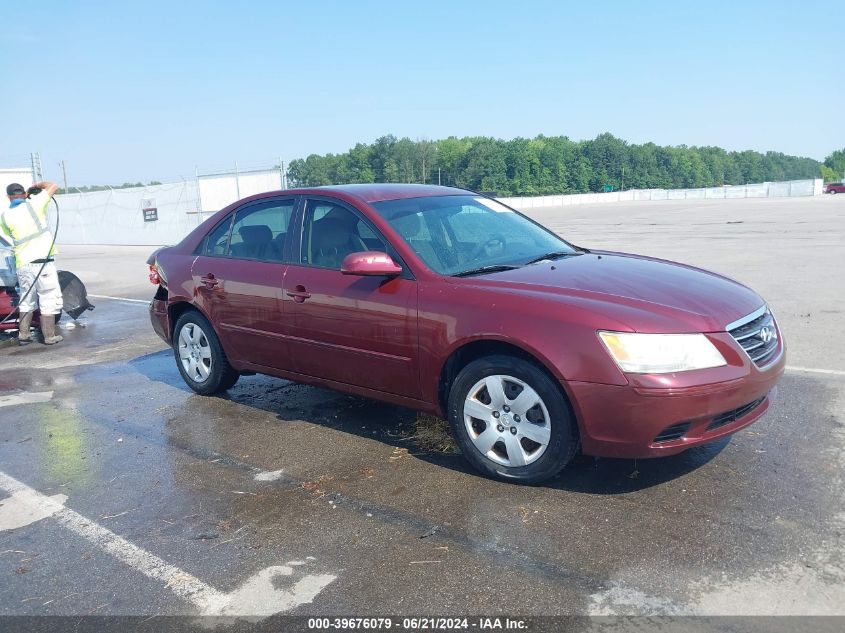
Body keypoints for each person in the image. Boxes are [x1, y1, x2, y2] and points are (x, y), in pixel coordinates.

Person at [1, 181, 63, 345]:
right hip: (43, 263)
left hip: (23, 264)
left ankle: (23, 334)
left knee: (26, 300)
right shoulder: (35, 203)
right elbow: (54, 186)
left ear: (8, 197)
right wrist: (38, 185)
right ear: (24, 194)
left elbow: (9, 234)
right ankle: (49, 336)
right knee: (48, 298)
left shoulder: (5, 216)